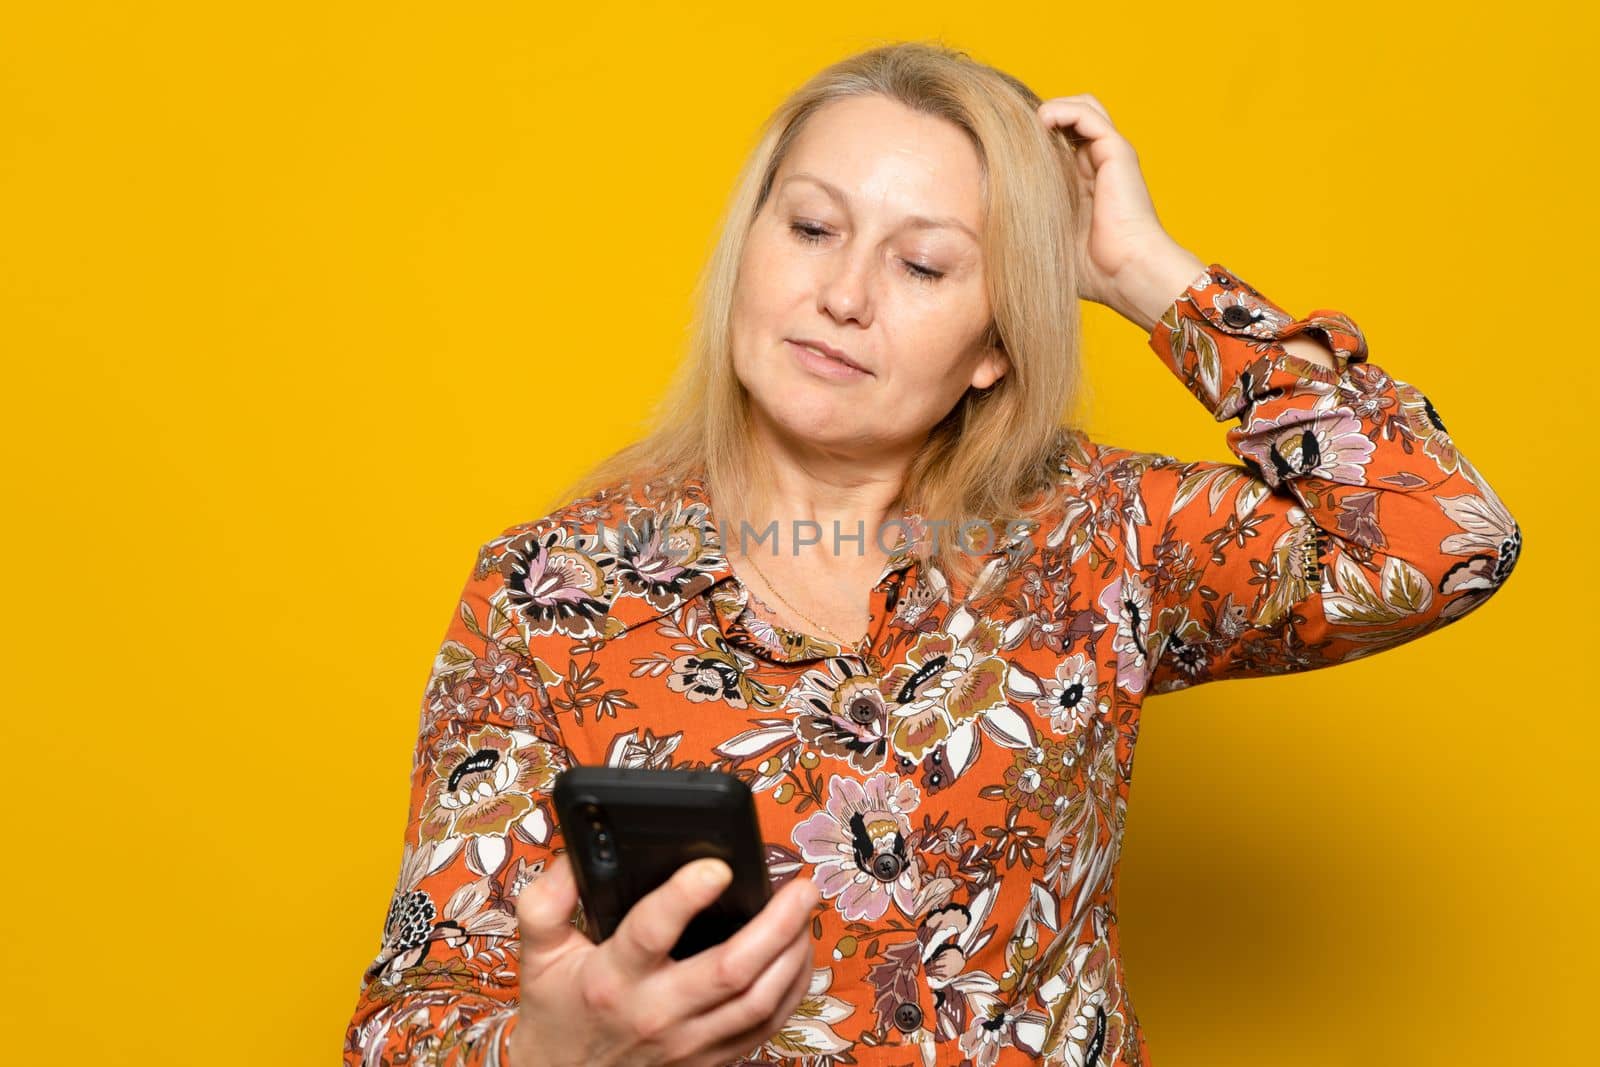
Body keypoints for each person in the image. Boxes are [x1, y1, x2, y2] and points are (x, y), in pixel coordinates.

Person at [342, 41, 1520, 1067]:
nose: (843, 293)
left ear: (993, 343)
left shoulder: (1097, 534)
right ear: (746, 251)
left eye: (924, 265)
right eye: (810, 227)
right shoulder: (550, 591)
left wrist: (1146, 278)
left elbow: (1438, 535)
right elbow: (405, 1021)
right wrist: (553, 1049)